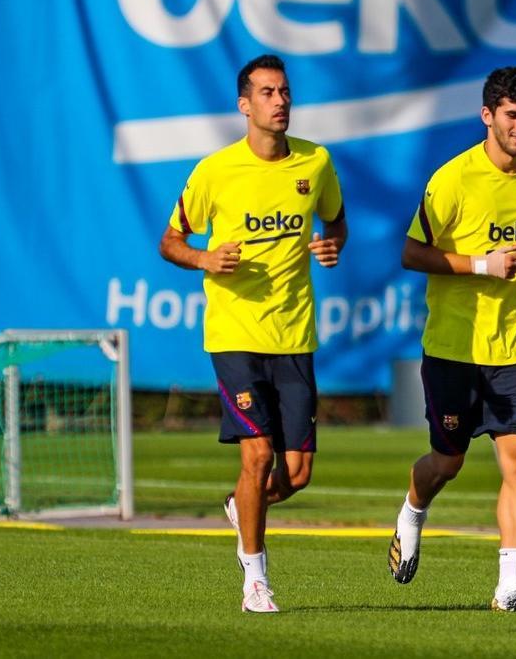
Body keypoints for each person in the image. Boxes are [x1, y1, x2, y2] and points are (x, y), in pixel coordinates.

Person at [158, 54, 347, 614]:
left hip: (294, 338)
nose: (280, 101)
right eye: (267, 93)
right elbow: (170, 241)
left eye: (285, 91)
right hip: (234, 334)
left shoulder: (316, 163)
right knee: (258, 456)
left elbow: (336, 220)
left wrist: (332, 243)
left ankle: (243, 508)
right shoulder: (215, 171)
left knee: (297, 473)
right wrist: (204, 258)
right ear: (245, 104)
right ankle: (256, 582)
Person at [387, 66, 516, 613]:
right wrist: (480, 263)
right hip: (454, 349)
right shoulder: (452, 180)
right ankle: (413, 511)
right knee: (448, 461)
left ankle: (509, 586)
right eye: (512, 115)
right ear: (487, 116)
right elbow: (412, 254)